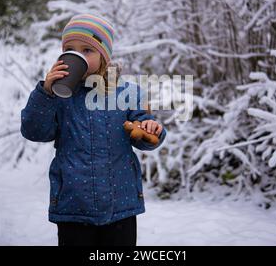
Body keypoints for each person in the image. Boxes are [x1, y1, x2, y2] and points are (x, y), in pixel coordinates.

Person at [20, 13, 167, 246]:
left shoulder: (126, 93)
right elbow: (34, 131)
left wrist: (151, 130)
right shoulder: (58, 96)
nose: (79, 56)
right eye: (71, 49)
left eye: (87, 50)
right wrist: (45, 93)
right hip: (73, 206)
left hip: (120, 205)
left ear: (104, 56)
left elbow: (144, 133)